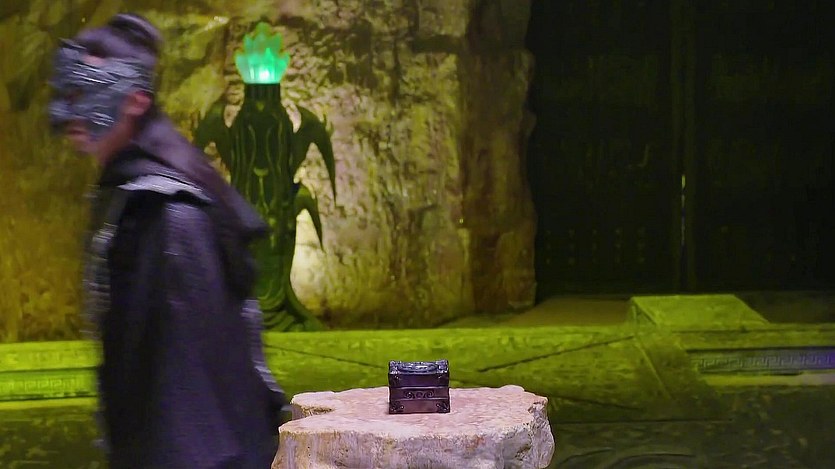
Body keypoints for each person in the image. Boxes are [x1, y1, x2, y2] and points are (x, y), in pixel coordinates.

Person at [48, 13, 286, 468]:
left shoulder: (169, 215)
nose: (72, 109)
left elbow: (188, 404)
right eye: (71, 91)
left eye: (89, 90)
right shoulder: (134, 193)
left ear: (136, 99)